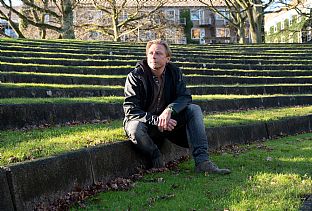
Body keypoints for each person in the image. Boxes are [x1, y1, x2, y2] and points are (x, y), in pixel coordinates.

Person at [123, 39, 230, 174]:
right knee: (135, 128)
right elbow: (131, 110)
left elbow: (185, 97)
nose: (153, 56)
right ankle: (156, 156)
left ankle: (202, 162)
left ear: (167, 58)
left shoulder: (174, 72)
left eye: (158, 53)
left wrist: (170, 110)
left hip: (169, 125)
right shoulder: (135, 76)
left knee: (194, 109)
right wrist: (158, 120)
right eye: (150, 53)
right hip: (145, 124)